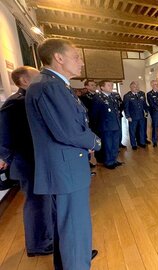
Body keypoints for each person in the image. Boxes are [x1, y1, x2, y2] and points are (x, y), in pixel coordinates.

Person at [25, 38, 100, 269]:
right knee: (75, 228)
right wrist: (95, 141)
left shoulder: (53, 84)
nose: (81, 62)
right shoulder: (50, 86)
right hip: (66, 168)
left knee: (66, 226)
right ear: (59, 57)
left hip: (64, 166)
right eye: (76, 56)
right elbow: (68, 131)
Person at [0, 66, 53, 257]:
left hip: (36, 160)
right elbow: (4, 134)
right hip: (27, 162)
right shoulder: (15, 103)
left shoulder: (30, 99)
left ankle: (46, 237)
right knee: (36, 203)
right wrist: (8, 158)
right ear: (24, 81)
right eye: (36, 77)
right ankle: (37, 244)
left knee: (44, 201)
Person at [91, 80, 123, 169]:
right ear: (102, 87)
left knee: (115, 145)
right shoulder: (98, 98)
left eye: (112, 85)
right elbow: (94, 114)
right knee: (108, 145)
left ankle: (114, 160)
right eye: (109, 85)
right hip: (106, 126)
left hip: (116, 124)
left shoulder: (113, 96)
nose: (111, 86)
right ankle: (108, 162)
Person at [123, 81, 148, 149]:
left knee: (142, 129)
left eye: (137, 86)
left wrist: (146, 111)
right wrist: (128, 116)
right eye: (134, 87)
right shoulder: (127, 96)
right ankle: (133, 144)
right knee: (132, 131)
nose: (136, 88)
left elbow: (144, 104)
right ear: (131, 88)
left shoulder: (142, 94)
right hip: (133, 117)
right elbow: (126, 107)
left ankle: (142, 142)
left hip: (141, 115)